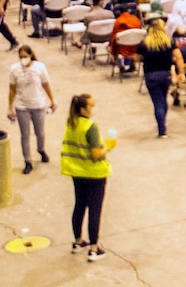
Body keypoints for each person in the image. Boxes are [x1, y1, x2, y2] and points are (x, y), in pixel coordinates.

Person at [62, 94, 115, 261]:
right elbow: (95, 154)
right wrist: (108, 147)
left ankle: (78, 241)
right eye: (92, 106)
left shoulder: (72, 123)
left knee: (80, 205)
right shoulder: (90, 127)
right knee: (94, 209)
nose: (94, 108)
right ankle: (94, 248)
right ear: (84, 109)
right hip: (94, 174)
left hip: (77, 172)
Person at [7, 45, 55, 174]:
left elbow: (46, 84)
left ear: (31, 55)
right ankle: (27, 160)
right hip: (21, 106)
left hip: (38, 105)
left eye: (25, 57)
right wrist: (10, 107)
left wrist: (52, 100)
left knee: (40, 132)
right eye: (21, 57)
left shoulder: (40, 67)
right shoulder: (14, 69)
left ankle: (41, 149)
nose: (23, 59)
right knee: (25, 135)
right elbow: (12, 89)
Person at [137, 14, 183, 138]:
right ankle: (162, 122)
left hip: (151, 76)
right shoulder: (169, 41)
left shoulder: (144, 43)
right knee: (163, 100)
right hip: (165, 75)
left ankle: (162, 130)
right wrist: (181, 73)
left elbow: (136, 58)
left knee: (157, 103)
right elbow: (178, 57)